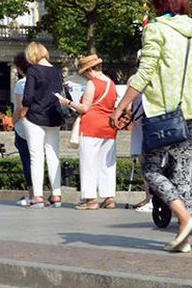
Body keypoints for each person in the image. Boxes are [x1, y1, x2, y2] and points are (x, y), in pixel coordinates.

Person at [113, 0, 192, 253]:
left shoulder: (156, 29)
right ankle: (185, 238)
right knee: (182, 171)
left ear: (160, 5)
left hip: (165, 110)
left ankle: (184, 217)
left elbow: (145, 71)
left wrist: (123, 104)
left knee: (152, 169)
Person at [58, 54, 118, 210]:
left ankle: (91, 199)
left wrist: (68, 102)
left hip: (91, 126)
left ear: (90, 70)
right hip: (109, 128)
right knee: (107, 164)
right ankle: (109, 197)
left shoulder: (92, 83)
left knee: (89, 164)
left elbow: (85, 108)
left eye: (84, 73)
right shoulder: (111, 83)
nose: (84, 76)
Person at [15, 42, 64, 209]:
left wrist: (23, 112)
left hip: (35, 116)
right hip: (54, 116)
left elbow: (28, 96)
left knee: (36, 156)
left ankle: (37, 196)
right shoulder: (57, 71)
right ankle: (56, 194)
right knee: (53, 155)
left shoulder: (34, 70)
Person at [10, 53, 33, 207]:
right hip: (41, 124)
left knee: (27, 161)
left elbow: (20, 106)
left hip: (24, 127)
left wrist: (12, 120)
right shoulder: (38, 81)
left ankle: (31, 194)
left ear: (19, 68)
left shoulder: (21, 83)